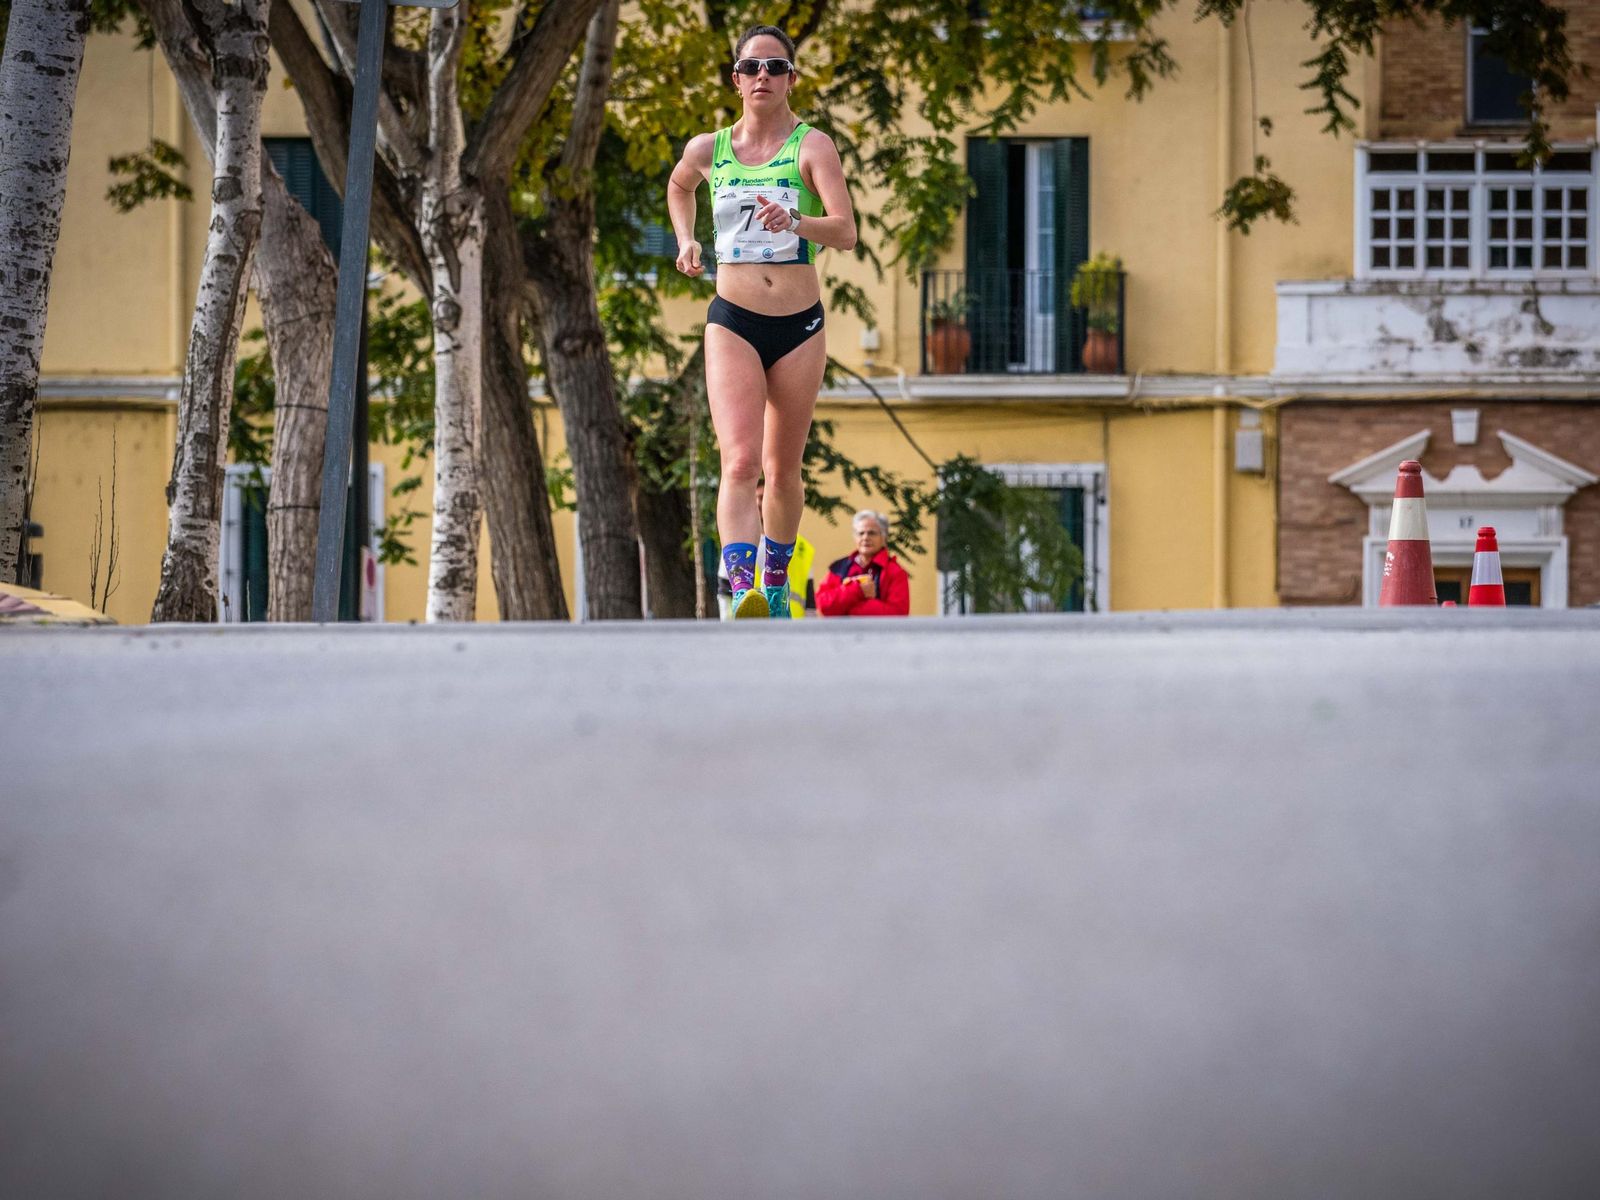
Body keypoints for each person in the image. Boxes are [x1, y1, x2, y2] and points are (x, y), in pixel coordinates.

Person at [667, 23, 857, 619]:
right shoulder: (710, 148)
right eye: (752, 68)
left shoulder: (812, 145)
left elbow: (846, 232)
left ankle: (775, 586)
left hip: (799, 324)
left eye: (775, 68)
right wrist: (686, 240)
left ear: (791, 78)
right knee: (741, 461)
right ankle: (741, 589)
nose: (763, 78)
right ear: (736, 80)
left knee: (781, 470)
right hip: (733, 320)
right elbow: (678, 186)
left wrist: (796, 222)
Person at [818, 509, 910, 617]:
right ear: (855, 537)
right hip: (841, 633)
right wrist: (857, 590)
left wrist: (847, 610)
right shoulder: (840, 567)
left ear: (884, 538)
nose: (865, 537)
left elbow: (898, 614)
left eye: (872, 533)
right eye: (861, 533)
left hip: (879, 633)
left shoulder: (895, 572)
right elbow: (823, 605)